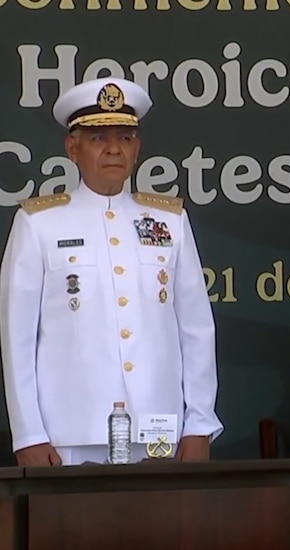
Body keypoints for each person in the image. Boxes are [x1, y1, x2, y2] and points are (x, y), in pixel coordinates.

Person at [0, 77, 222, 465]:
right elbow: (17, 339)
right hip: (69, 430)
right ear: (73, 148)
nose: (114, 149)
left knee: (163, 526)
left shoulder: (168, 221)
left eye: (124, 137)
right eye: (98, 138)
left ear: (137, 148)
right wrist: (28, 433)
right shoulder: (38, 223)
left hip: (158, 430)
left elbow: (196, 330)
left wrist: (199, 424)